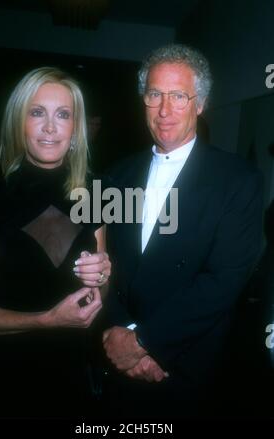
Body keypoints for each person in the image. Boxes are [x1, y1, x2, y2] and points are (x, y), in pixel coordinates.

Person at [102, 44, 263, 418]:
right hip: (116, 360)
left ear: (200, 103)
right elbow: (103, 263)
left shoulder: (238, 180)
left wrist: (146, 343)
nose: (164, 110)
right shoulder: (115, 174)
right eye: (155, 94)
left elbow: (224, 280)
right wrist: (118, 334)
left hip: (185, 368)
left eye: (178, 96)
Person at [0, 67, 111, 418]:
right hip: (5, 376)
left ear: (75, 129)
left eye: (63, 115)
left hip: (72, 373)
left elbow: (99, 289)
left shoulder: (95, 192)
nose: (50, 127)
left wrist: (102, 280)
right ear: (18, 122)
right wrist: (46, 320)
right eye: (37, 113)